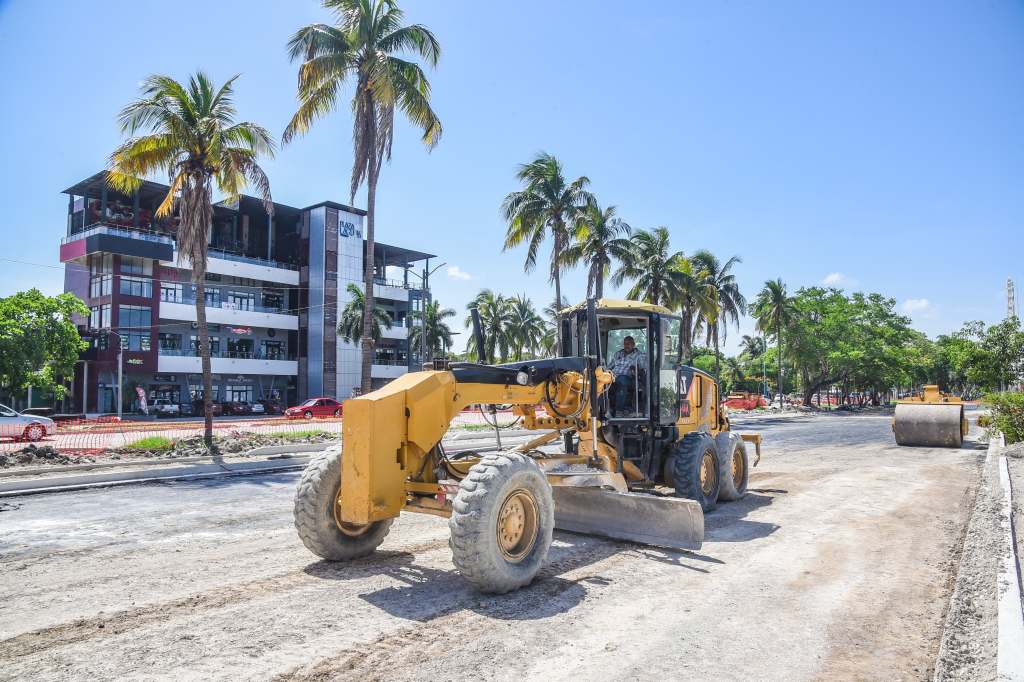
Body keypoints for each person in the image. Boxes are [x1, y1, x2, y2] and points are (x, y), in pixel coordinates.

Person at [607, 335, 647, 415]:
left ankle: (619, 410)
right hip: (613, 376)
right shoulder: (618, 354)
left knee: (621, 381)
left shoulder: (639, 355)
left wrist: (636, 370)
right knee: (600, 381)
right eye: (625, 344)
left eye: (629, 344)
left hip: (628, 378)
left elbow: (644, 370)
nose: (626, 345)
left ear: (633, 344)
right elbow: (609, 367)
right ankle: (604, 408)